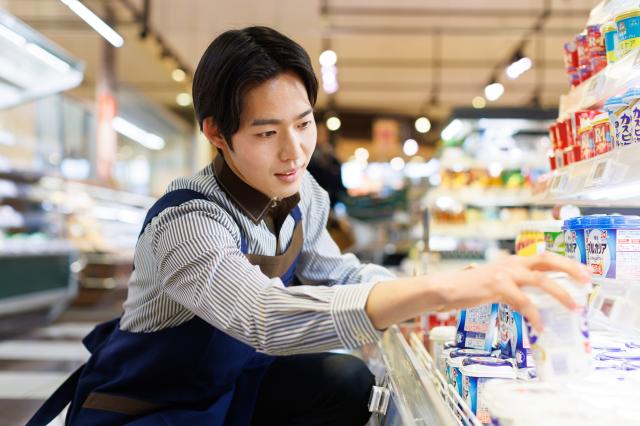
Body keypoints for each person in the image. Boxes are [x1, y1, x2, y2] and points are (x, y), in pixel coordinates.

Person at [29, 26, 590, 426]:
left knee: (345, 382)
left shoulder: (304, 196)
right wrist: (439, 290)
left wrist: (460, 282)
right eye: (266, 133)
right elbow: (265, 317)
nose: (294, 151)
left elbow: (340, 273)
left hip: (228, 388)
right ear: (217, 134)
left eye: (303, 123)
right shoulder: (187, 222)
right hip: (153, 404)